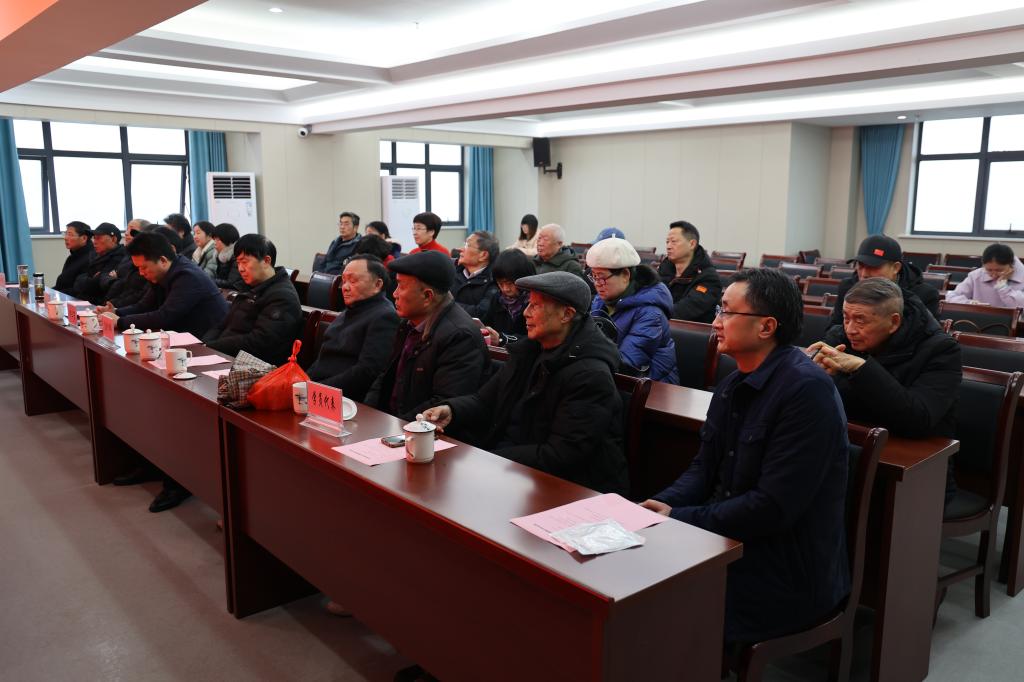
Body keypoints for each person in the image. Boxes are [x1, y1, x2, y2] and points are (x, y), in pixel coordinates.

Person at [640, 268, 850, 644]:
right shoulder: (733, 382)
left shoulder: (807, 393)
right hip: (731, 539)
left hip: (783, 571)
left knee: (653, 610)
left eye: (726, 311)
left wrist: (678, 519)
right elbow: (704, 468)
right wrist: (658, 507)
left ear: (766, 327)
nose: (716, 322)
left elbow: (773, 507)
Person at [422, 270, 628, 495]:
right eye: (528, 304)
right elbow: (484, 401)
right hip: (513, 469)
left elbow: (560, 454)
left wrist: (486, 459)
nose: (526, 313)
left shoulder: (589, 374)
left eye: (536, 306)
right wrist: (452, 410)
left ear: (566, 314)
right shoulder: (530, 351)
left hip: (567, 489)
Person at [810, 277, 961, 503]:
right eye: (846, 317)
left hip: (914, 473)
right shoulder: (839, 337)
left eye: (860, 320)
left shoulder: (940, 350)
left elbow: (918, 418)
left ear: (893, 322)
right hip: (845, 453)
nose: (850, 329)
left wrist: (862, 368)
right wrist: (815, 375)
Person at [364, 251, 489, 428]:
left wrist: (394, 428)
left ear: (427, 296)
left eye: (401, 286)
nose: (395, 294)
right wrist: (368, 415)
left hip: (423, 433)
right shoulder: (408, 324)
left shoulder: (459, 336)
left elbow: (442, 404)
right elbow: (385, 377)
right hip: (393, 424)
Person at [97, 232, 228, 338]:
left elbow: (165, 316)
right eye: (138, 268)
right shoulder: (161, 273)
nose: (141, 273)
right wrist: (116, 312)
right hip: (180, 335)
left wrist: (119, 321)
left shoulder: (187, 276)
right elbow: (145, 306)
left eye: (143, 267)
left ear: (163, 260)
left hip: (206, 340)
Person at [307, 255, 400, 402]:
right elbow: (323, 358)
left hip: (345, 399)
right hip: (319, 389)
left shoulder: (384, 316)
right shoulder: (351, 309)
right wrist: (304, 380)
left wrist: (317, 389)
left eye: (353, 280)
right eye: (344, 280)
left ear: (377, 284)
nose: (345, 287)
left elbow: (367, 371)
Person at [203, 234, 303, 366]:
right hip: (225, 357)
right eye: (238, 263)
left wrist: (212, 347)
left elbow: (260, 342)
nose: (240, 269)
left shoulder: (282, 296)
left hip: (252, 367)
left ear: (266, 261)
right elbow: (222, 324)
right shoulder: (251, 287)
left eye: (245, 262)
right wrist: (205, 345)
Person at [588, 238, 678, 383]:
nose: (597, 284)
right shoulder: (601, 301)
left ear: (625, 275)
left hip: (651, 386)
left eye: (602, 277)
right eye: (594, 276)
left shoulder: (650, 313)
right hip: (609, 377)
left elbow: (627, 362)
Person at [828, 235, 939, 328]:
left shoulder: (924, 295)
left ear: (895, 268)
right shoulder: (848, 287)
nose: (864, 274)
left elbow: (927, 339)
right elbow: (835, 327)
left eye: (873, 267)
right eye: (860, 266)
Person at [657, 220, 721, 323]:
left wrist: (650, 314)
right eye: (667, 242)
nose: (668, 246)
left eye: (674, 241)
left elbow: (685, 311)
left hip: (689, 331)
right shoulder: (663, 269)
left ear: (692, 244)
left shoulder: (708, 277)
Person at [480, 249, 535, 347]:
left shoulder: (535, 302)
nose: (505, 289)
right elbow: (486, 323)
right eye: (500, 284)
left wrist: (503, 339)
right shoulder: (498, 299)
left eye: (510, 283)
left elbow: (536, 340)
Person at [946, 243, 1024, 308]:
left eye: (999, 270)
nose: (993, 275)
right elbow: (952, 296)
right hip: (979, 319)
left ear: (1011, 265)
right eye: (989, 270)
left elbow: (1020, 308)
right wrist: (970, 303)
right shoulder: (976, 275)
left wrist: (1002, 286)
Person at [72, 223, 125, 304]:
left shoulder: (120, 258)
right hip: (84, 301)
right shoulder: (94, 255)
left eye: (98, 238)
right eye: (94, 238)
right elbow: (78, 281)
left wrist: (89, 280)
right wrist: (91, 280)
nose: (94, 242)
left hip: (101, 305)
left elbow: (99, 286)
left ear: (113, 239)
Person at [104, 219, 151, 309]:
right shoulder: (127, 255)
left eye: (131, 230)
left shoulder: (145, 258)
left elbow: (135, 291)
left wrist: (114, 306)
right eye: (126, 229)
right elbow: (107, 276)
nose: (126, 233)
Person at [452, 231, 498, 318]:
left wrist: (446, 306)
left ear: (483, 255)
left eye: (467, 245)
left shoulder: (494, 280)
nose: (460, 249)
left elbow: (481, 313)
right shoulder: (452, 269)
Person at [54, 221, 94, 294]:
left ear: (84, 238)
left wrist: (54, 294)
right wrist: (50, 292)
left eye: (70, 235)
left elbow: (78, 290)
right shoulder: (73, 255)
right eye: (66, 234)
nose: (65, 238)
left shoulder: (90, 258)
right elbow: (62, 284)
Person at [212, 223, 245, 291]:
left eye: (218, 239)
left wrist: (210, 280)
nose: (214, 242)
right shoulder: (219, 255)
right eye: (214, 239)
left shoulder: (236, 255)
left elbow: (232, 283)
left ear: (227, 239)